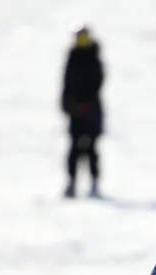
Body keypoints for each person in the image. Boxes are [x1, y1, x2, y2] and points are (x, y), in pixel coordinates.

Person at [61, 26, 104, 198]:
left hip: (92, 111)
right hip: (75, 112)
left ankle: (94, 184)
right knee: (74, 150)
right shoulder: (72, 58)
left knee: (92, 149)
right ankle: (71, 184)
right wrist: (69, 105)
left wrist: (88, 104)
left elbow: (97, 83)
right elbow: (66, 85)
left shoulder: (94, 58)